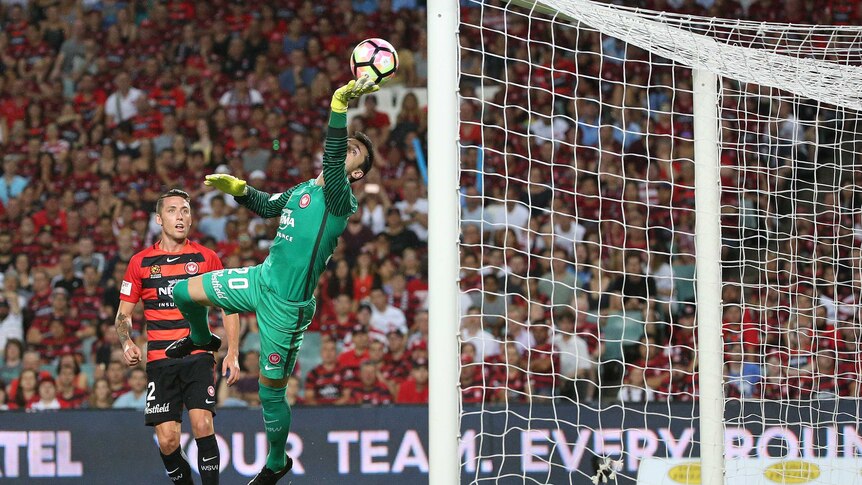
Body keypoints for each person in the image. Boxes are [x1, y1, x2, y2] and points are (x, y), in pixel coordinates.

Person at [164, 75, 379, 485]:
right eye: (346, 145)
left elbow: (332, 159)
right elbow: (266, 205)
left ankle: (277, 462)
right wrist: (240, 190)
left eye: (354, 152)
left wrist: (338, 105)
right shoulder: (303, 189)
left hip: (287, 306)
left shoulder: (339, 199)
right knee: (181, 291)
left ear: (355, 174)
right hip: (260, 279)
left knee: (269, 391)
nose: (343, 151)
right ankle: (201, 338)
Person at [115, 189, 240, 485]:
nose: (180, 216)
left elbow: (229, 307)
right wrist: (127, 341)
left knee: (201, 423)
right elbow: (123, 315)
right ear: (159, 219)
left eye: (185, 210)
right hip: (160, 360)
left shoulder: (206, 258)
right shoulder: (140, 263)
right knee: (169, 441)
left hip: (197, 355)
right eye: (172, 211)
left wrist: (232, 352)